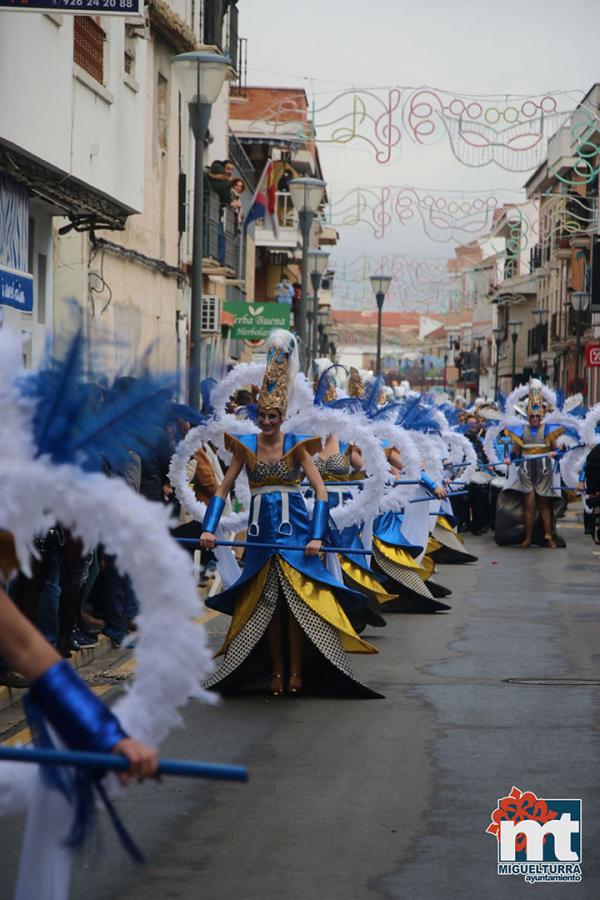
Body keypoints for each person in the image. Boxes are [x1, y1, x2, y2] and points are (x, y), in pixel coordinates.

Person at [199, 330, 381, 698]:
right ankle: (276, 672)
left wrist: (316, 535)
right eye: (262, 415)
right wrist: (208, 527)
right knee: (267, 607)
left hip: (297, 537)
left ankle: (297, 670)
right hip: (261, 538)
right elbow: (222, 488)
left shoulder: (297, 445)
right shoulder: (245, 446)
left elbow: (321, 491)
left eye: (273, 416)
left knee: (296, 605)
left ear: (282, 415)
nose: (266, 421)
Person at [501, 384, 564, 548]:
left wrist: (555, 453)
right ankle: (528, 537)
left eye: (537, 416)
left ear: (542, 415)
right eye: (532, 416)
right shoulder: (521, 431)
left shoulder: (549, 430)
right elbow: (515, 452)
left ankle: (548, 536)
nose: (534, 419)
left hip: (543, 468)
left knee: (544, 504)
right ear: (528, 416)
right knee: (529, 504)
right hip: (526, 469)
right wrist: (509, 459)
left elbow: (558, 450)